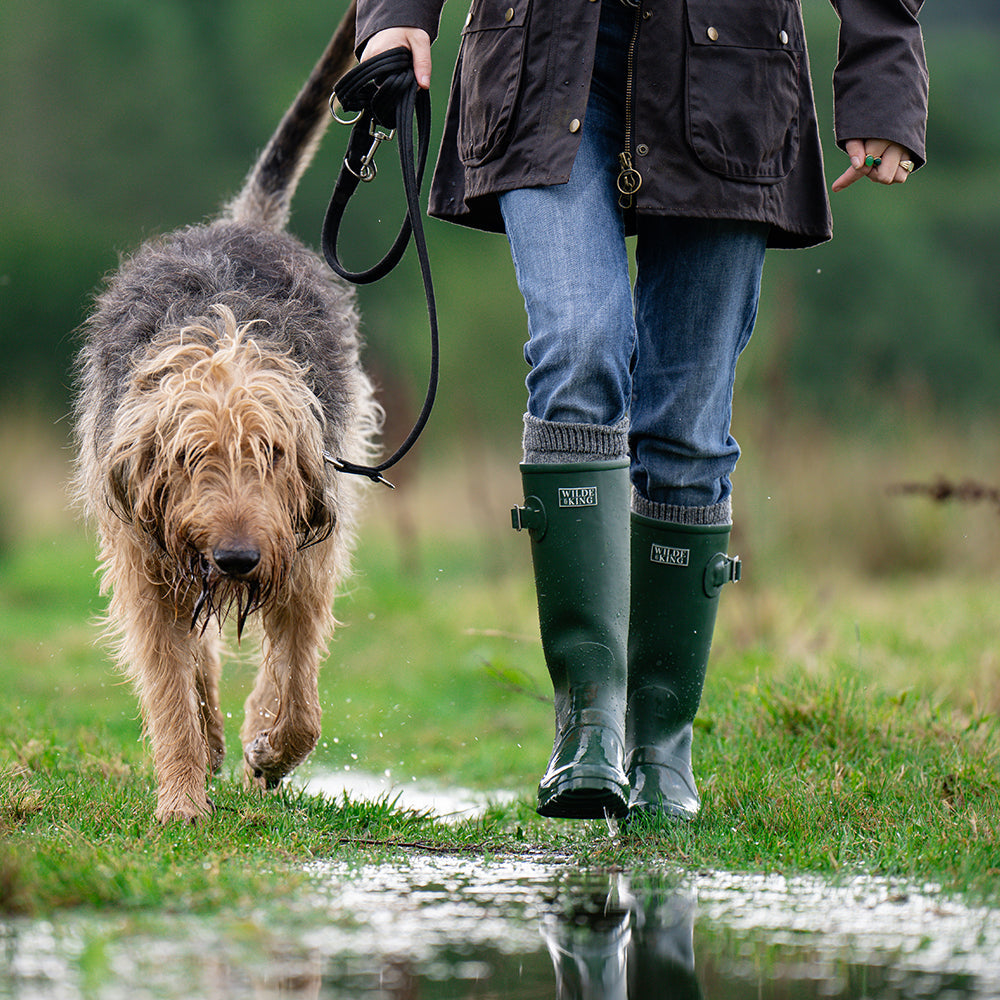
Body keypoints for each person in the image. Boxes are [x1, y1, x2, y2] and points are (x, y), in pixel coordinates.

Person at [353, 0, 928, 824]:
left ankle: (661, 744)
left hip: (732, 70)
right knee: (580, 344)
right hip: (543, 55)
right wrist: (397, 13)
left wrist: (883, 74)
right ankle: (588, 719)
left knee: (689, 426)